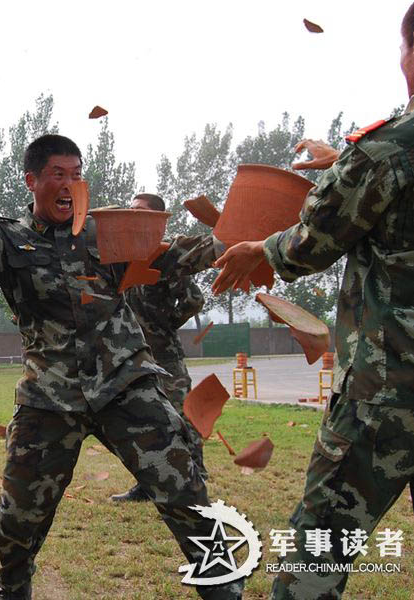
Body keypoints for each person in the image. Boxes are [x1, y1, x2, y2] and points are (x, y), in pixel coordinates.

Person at [0, 135, 242, 600]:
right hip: (49, 396)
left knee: (184, 489)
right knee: (18, 515)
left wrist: (235, 236)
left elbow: (174, 255)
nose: (70, 184)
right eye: (58, 174)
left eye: (76, 173)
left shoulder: (105, 234)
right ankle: (13, 588)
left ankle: (221, 587)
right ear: (32, 180)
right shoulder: (11, 241)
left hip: (125, 384)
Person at [213, 5, 414, 597]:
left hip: (386, 395)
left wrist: (261, 250)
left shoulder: (386, 151)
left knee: (316, 552)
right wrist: (343, 165)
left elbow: (311, 243)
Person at [111, 193, 209, 502]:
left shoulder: (166, 257)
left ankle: (197, 474)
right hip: (133, 354)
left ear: (156, 218)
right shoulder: (125, 256)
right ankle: (147, 482)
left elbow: (194, 299)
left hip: (164, 354)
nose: (132, 213)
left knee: (182, 413)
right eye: (131, 208)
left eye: (140, 210)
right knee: (141, 419)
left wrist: (166, 324)